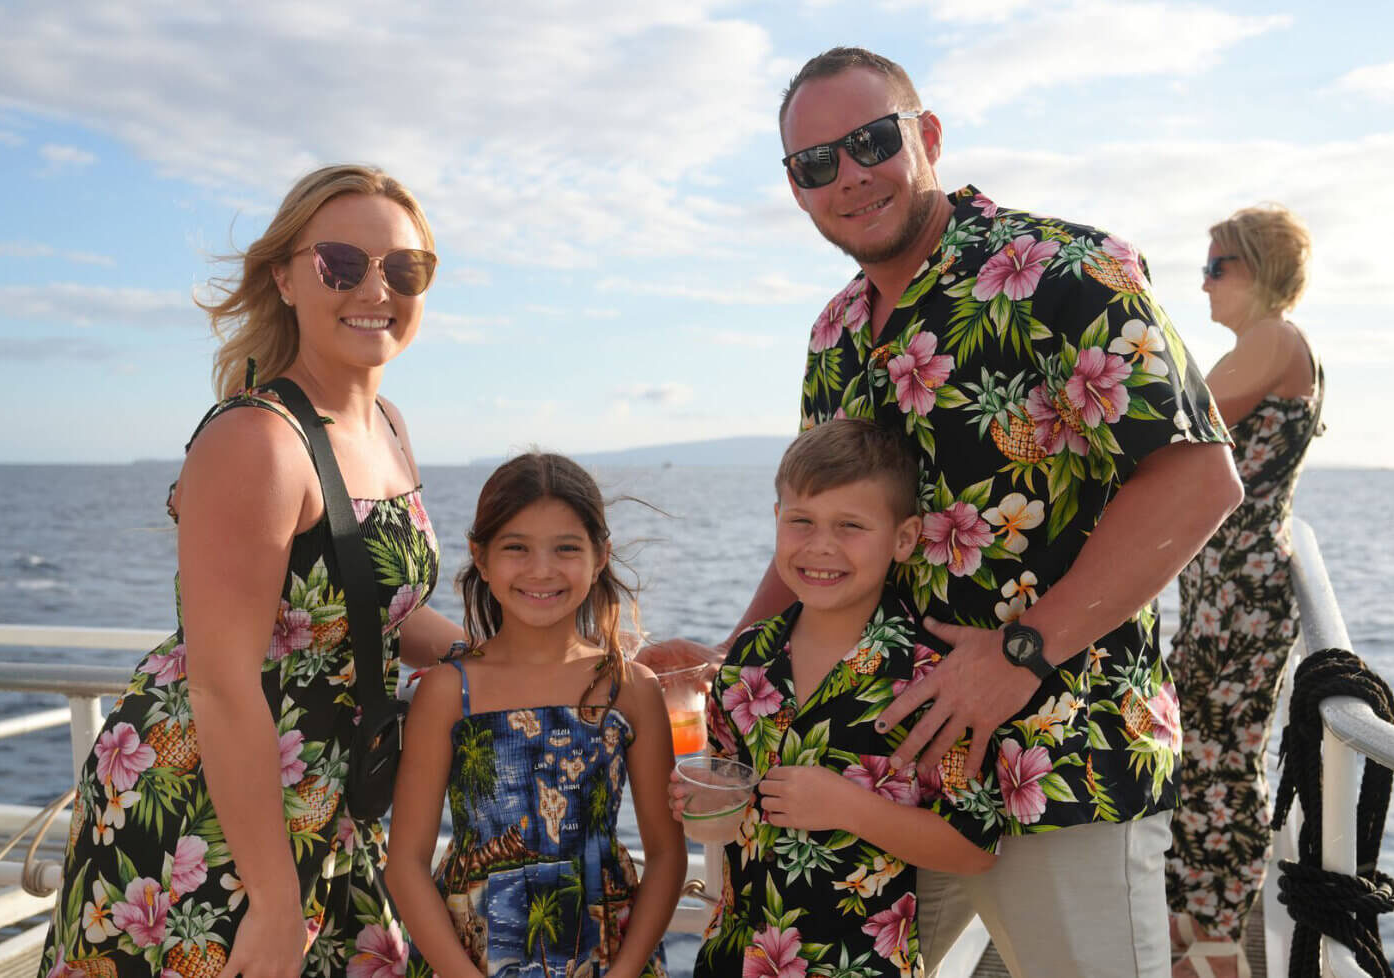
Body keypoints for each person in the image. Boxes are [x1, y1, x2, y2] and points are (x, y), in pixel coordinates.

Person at [646, 47, 1243, 978]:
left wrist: (1022, 652)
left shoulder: (1063, 270)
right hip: (888, 769)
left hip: (1060, 759)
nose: (849, 175)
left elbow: (1198, 480)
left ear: (924, 136)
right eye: (816, 164)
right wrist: (735, 660)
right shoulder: (836, 331)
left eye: (871, 141)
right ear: (797, 190)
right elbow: (819, 525)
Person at [40, 164, 466, 978]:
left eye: (404, 268)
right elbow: (220, 683)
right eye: (342, 263)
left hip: (330, 805)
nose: (376, 286)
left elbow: (372, 609)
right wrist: (273, 902)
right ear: (285, 276)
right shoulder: (258, 439)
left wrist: (521, 662)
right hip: (213, 819)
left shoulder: (386, 425)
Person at [683, 418, 1002, 978]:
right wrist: (705, 801)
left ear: (903, 539)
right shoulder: (745, 661)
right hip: (734, 960)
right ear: (777, 521)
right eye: (800, 521)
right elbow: (730, 794)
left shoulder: (929, 678)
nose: (820, 545)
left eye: (850, 525)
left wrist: (850, 809)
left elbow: (972, 849)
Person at [386, 452, 684, 978]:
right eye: (516, 548)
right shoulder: (447, 691)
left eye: (566, 548)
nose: (541, 569)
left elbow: (664, 855)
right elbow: (406, 864)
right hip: (470, 958)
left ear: (600, 556)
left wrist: (625, 970)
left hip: (609, 957)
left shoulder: (632, 689)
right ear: (480, 558)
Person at [1165, 205, 1323, 978]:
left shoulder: (1275, 340)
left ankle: (1216, 942)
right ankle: (1194, 925)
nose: (1203, 283)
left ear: (1259, 269)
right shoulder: (1269, 346)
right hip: (1221, 588)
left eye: (1216, 267)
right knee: (1202, 757)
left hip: (1240, 594)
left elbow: (1177, 428)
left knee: (1220, 764)